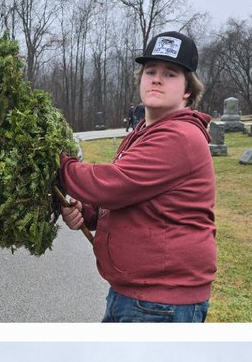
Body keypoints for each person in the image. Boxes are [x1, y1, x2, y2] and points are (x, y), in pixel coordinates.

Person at [59, 32, 215, 323]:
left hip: (161, 304)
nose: (156, 79)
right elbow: (129, 199)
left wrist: (57, 163)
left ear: (187, 91)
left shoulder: (180, 136)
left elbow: (113, 185)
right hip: (135, 296)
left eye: (170, 74)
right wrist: (88, 212)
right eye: (150, 71)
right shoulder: (143, 133)